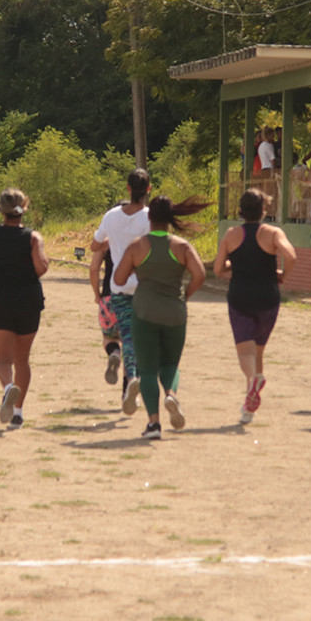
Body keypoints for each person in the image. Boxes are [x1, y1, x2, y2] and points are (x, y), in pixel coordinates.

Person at [114, 196, 208, 439]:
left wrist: (140, 271)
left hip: (144, 312)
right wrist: (184, 294)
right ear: (169, 218)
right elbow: (199, 275)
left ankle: (153, 424)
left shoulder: (137, 246)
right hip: (175, 312)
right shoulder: (182, 246)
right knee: (169, 365)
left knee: (146, 369)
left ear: (149, 217)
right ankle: (171, 395)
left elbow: (119, 280)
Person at [213, 188, 296, 425]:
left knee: (245, 352)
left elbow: (218, 269)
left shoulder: (231, 235)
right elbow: (290, 256)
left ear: (240, 210)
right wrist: (281, 275)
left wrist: (233, 264)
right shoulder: (272, 233)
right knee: (258, 350)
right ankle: (249, 408)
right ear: (263, 210)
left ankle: (253, 381)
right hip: (268, 297)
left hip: (240, 297)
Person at [0, 188, 49, 430]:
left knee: (3, 360)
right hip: (27, 301)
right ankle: (18, 413)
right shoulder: (33, 237)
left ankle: (7, 388)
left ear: (2, 210)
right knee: (22, 360)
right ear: (24, 208)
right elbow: (41, 268)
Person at [91, 169, 151, 408]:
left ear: (128, 188)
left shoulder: (112, 216)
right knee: (135, 341)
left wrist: (111, 241)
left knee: (122, 338)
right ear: (148, 189)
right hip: (144, 289)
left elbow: (95, 245)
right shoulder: (150, 217)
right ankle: (130, 385)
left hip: (117, 288)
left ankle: (125, 378)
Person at [89, 243, 123, 385]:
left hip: (109, 297)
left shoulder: (107, 240)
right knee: (132, 342)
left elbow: (93, 269)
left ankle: (114, 352)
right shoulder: (140, 236)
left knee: (109, 338)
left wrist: (97, 294)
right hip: (133, 297)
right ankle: (129, 386)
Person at [257, 126, 277, 218]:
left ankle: (264, 211)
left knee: (264, 191)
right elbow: (272, 159)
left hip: (263, 169)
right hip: (269, 170)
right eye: (272, 135)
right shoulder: (269, 146)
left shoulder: (261, 146)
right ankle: (270, 213)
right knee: (271, 191)